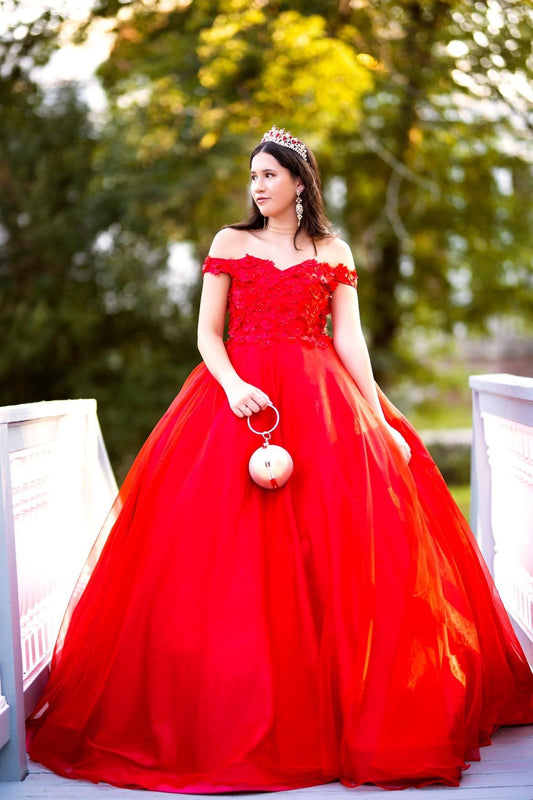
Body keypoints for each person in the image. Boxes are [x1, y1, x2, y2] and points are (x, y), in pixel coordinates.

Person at [27, 125, 533, 793]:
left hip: (320, 402)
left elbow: (349, 341)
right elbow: (208, 335)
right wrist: (235, 385)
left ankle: (331, 712)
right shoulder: (228, 244)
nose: (257, 186)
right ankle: (233, 710)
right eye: (252, 177)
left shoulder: (334, 250)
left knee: (336, 552)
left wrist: (379, 415)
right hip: (237, 401)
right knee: (223, 556)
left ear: (299, 181)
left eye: (268, 174)